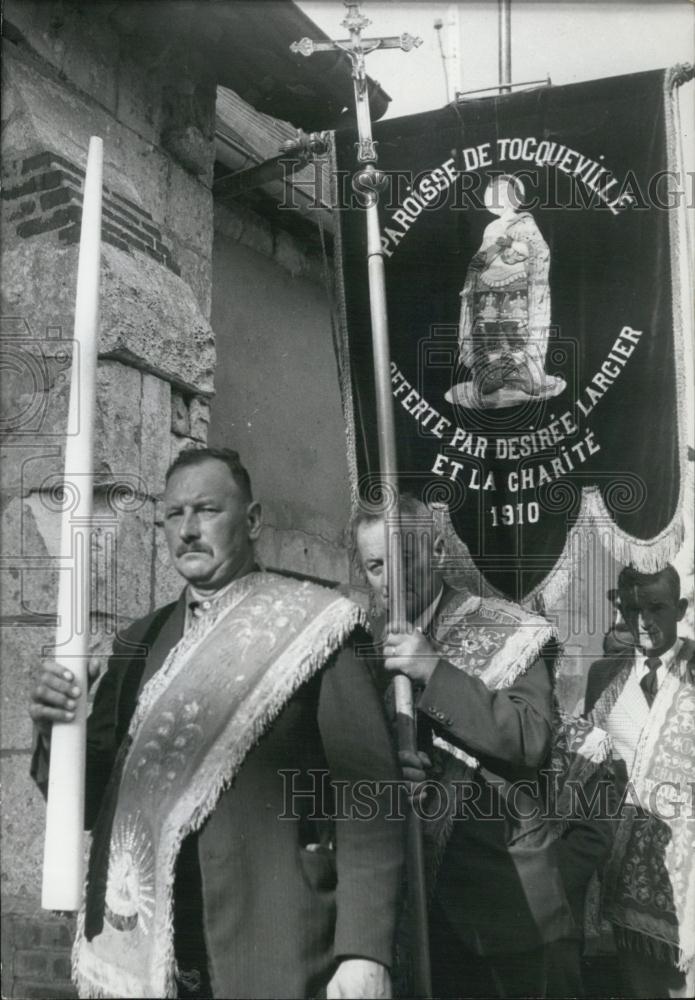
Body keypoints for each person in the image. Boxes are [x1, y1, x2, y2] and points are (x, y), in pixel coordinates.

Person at [30, 447, 404, 1000]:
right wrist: (58, 725)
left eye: (206, 510)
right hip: (152, 947)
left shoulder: (318, 627)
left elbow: (369, 796)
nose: (186, 530)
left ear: (251, 521)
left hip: (270, 940)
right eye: (173, 516)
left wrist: (365, 951)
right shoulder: (140, 642)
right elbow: (88, 802)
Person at [353, 495, 611, 999]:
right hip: (417, 913)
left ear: (440, 550)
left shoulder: (507, 627)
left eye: (404, 556)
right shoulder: (365, 648)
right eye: (376, 565)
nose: (392, 577)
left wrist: (434, 670)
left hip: (509, 907)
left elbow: (530, 737)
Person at [585, 564, 694, 999]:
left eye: (656, 608)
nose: (644, 621)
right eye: (632, 609)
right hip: (624, 887)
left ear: (680, 609)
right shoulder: (603, 676)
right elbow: (586, 767)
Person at [458, 174, 551, 397]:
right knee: (489, 329)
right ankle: (491, 374)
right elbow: (483, 255)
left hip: (516, 282)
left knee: (515, 327)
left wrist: (511, 243)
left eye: (501, 194)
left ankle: (519, 372)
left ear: (511, 197)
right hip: (487, 284)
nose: (497, 199)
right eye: (494, 195)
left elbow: (538, 251)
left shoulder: (526, 222)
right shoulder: (490, 227)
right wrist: (472, 273)